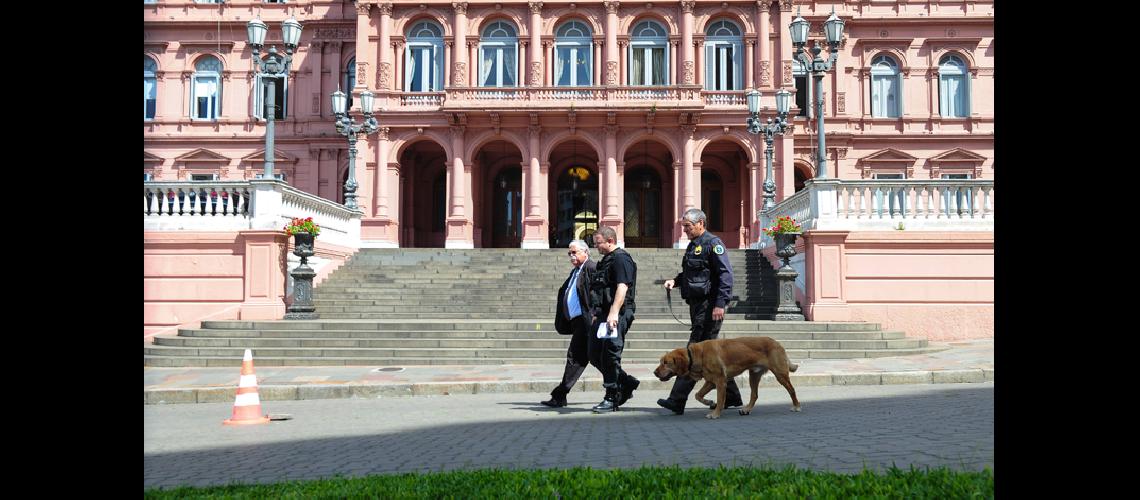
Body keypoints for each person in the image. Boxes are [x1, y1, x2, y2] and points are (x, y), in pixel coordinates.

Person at [657, 208, 744, 415]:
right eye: (683, 226)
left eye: (687, 226)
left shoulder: (713, 244)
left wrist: (720, 304)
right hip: (697, 307)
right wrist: (675, 281)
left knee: (692, 354)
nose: (685, 230)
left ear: (700, 224)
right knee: (711, 356)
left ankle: (677, 400)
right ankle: (732, 397)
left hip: (709, 307)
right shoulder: (694, 246)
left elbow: (726, 275)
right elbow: (690, 273)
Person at [586, 226, 640, 413]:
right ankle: (626, 382)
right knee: (594, 354)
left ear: (610, 240)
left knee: (610, 354)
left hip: (617, 313)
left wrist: (614, 313)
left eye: (598, 243)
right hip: (602, 314)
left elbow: (622, 287)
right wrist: (596, 313)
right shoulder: (606, 260)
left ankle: (611, 396)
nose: (596, 247)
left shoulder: (621, 258)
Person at [541, 240, 596, 407]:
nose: (571, 256)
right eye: (569, 253)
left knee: (576, 357)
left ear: (585, 252)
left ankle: (560, 395)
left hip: (587, 321)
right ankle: (625, 384)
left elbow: (597, 294)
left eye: (575, 252)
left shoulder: (591, 268)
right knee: (596, 359)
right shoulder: (576, 271)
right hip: (577, 322)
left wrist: (594, 314)